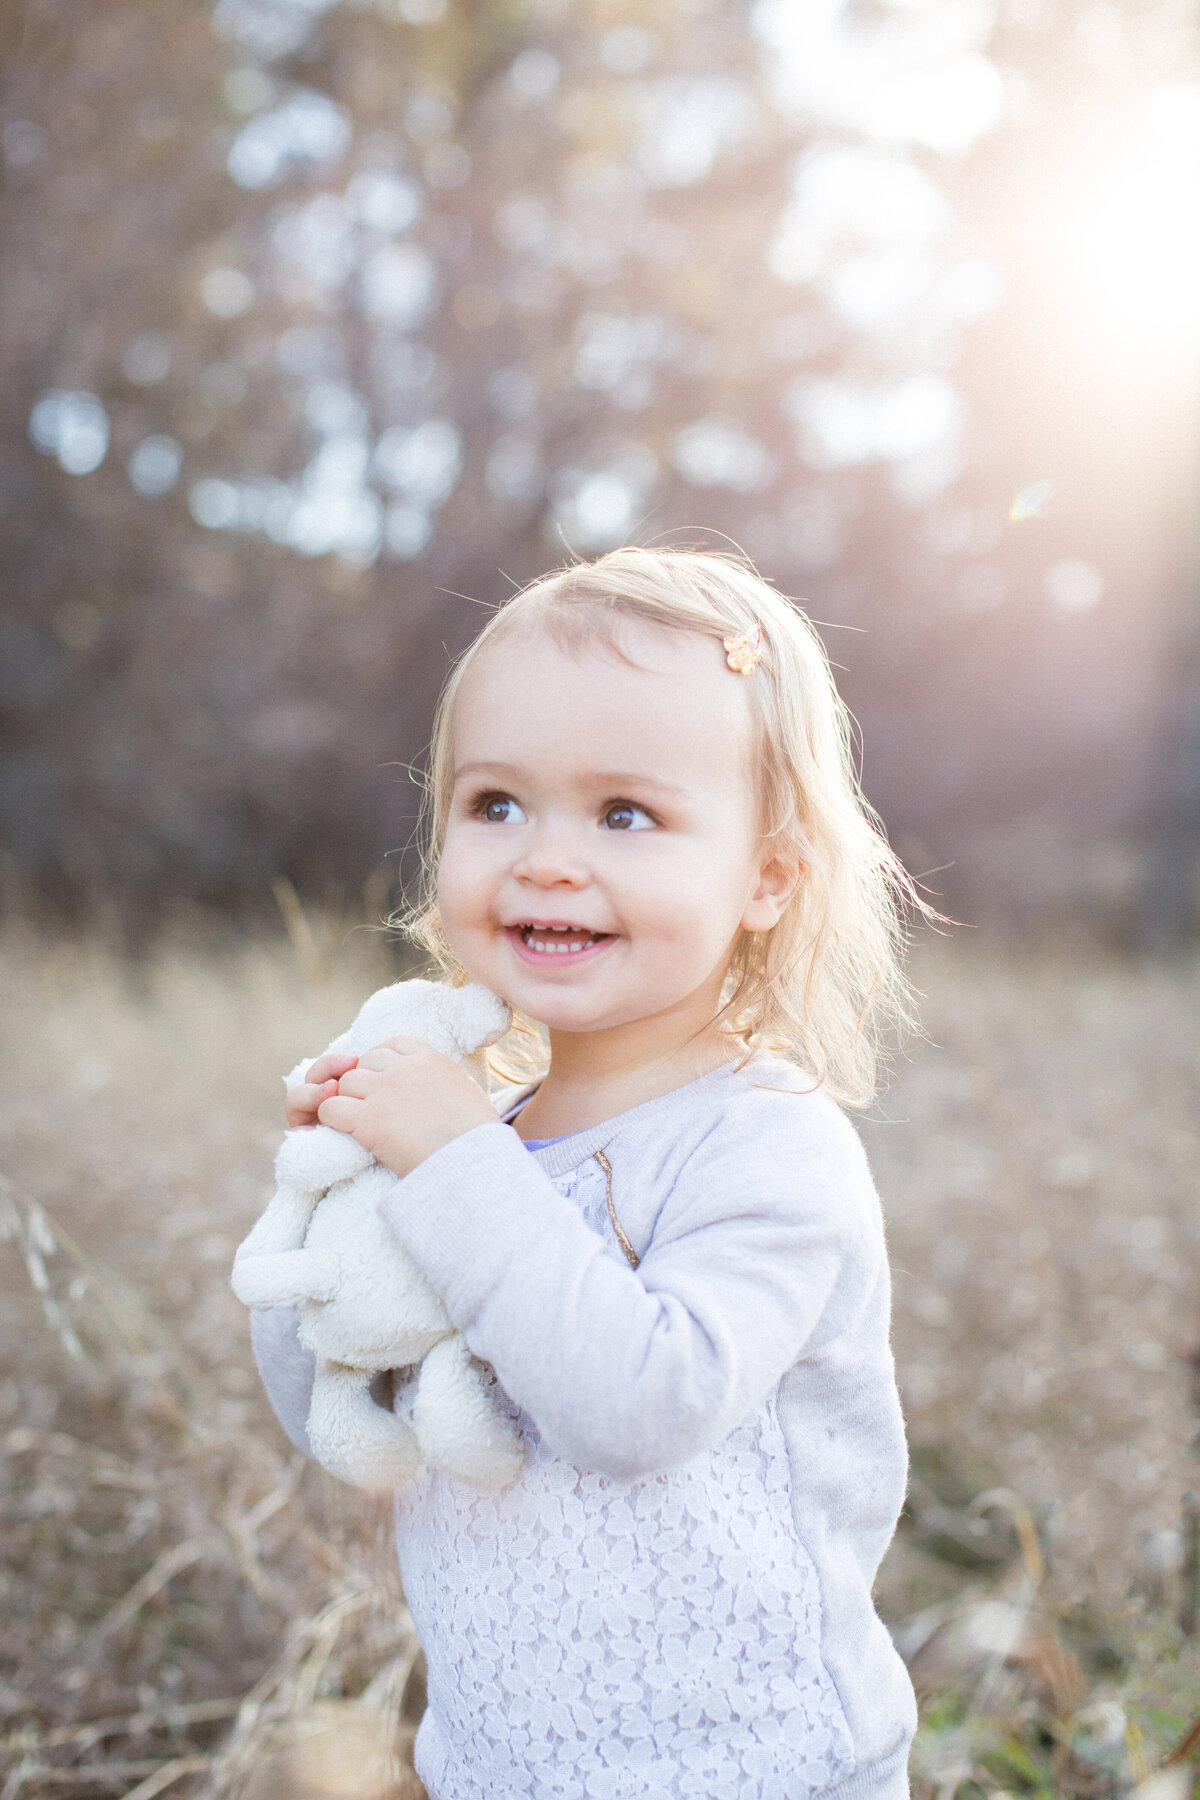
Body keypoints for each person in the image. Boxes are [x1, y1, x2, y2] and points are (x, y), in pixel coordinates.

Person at [250, 546, 925, 1800]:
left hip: (759, 1769)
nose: (547, 858)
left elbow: (638, 1407)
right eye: (496, 804)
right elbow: (339, 1424)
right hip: (504, 1766)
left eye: (626, 814)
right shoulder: (474, 1137)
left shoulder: (765, 1145)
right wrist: (333, 1201)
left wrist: (450, 1163)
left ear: (767, 877)